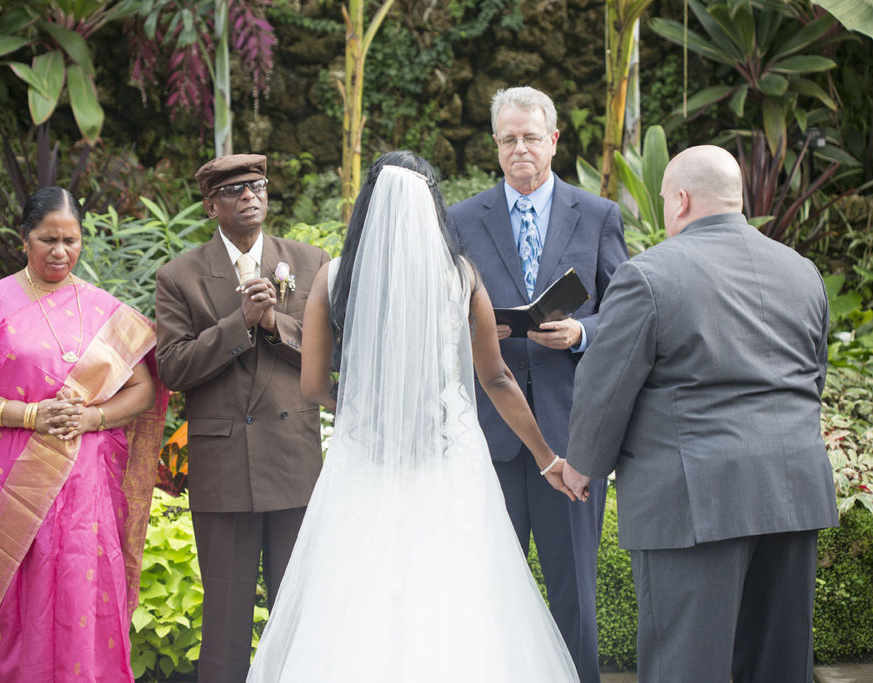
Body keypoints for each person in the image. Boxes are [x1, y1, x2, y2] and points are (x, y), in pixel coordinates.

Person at [247, 151, 584, 682]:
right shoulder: (461, 276)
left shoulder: (334, 279)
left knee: (356, 600)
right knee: (460, 602)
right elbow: (496, 380)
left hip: (363, 469)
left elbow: (313, 386)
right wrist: (547, 458)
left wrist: (362, 407)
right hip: (449, 465)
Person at [562, 145, 839, 682]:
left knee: (685, 666)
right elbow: (814, 378)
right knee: (779, 665)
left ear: (681, 200)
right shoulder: (803, 272)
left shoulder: (649, 276)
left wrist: (582, 464)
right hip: (794, 492)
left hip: (697, 504)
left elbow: (606, 384)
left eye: (665, 201)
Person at [0, 186, 168, 682]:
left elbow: (143, 391)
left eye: (71, 240)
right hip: (14, 479)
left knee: (84, 587)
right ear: (24, 238)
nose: (60, 251)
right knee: (20, 593)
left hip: (87, 486)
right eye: (48, 239)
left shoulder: (104, 309)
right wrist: (30, 416)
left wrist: (92, 418)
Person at [448, 85, 627, 683]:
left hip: (571, 434)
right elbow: (446, 314)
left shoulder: (597, 214)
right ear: (494, 147)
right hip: (489, 436)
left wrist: (581, 333)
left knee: (574, 590)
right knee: (489, 588)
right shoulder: (462, 219)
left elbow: (626, 312)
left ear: (553, 140)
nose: (519, 148)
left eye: (529, 136)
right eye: (507, 139)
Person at [154, 154, 328, 683]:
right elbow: (172, 368)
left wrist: (274, 323)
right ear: (211, 206)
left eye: (256, 186)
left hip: (292, 458)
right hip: (224, 464)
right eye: (233, 191)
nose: (249, 196)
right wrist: (239, 323)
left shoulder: (309, 261)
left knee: (295, 610)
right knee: (225, 614)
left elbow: (332, 353)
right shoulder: (179, 275)